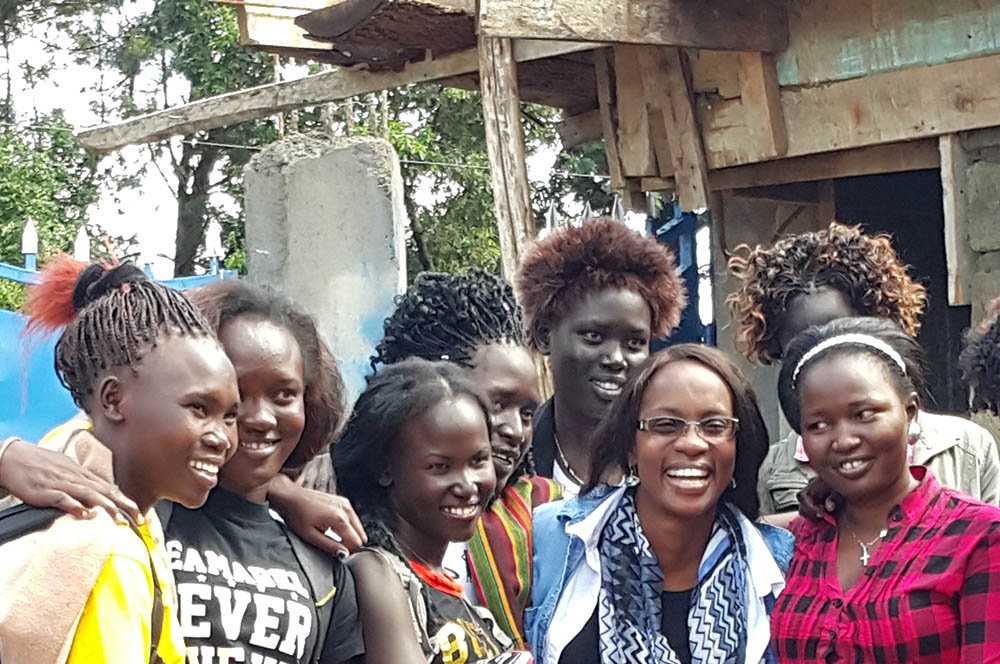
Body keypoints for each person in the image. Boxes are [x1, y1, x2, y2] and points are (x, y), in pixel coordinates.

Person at [2, 280, 366, 664]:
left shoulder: (320, 566)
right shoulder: (119, 518)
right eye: (201, 406)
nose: (256, 419)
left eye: (283, 394)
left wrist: (280, 489)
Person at [0, 257, 241, 664]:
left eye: (230, 416)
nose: (222, 438)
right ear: (113, 399)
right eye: (199, 408)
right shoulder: (109, 551)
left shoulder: (55, 489)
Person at [527, 345, 792, 664]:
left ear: (738, 445)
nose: (692, 443)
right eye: (666, 425)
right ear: (630, 447)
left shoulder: (781, 566)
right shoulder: (551, 540)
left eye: (714, 426)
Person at [728, 222, 1000, 520]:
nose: (823, 354)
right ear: (778, 350)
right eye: (802, 345)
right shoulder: (772, 470)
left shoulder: (965, 447)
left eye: (839, 335)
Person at [770, 316, 1000, 662]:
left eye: (864, 414)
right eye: (818, 424)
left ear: (909, 412)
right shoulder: (798, 541)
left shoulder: (977, 536)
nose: (844, 440)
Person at [371, 268, 561, 647]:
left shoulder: (547, 515)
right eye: (495, 404)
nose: (515, 430)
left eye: (526, 412)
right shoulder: (355, 520)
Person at [333, 358, 522, 664]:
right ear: (385, 469)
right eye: (440, 467)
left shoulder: (467, 606)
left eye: (478, 460)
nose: (467, 485)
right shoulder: (374, 572)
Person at [515, 218, 686, 495]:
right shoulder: (511, 461)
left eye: (634, 342)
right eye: (593, 336)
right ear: (545, 335)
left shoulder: (671, 457)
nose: (616, 359)